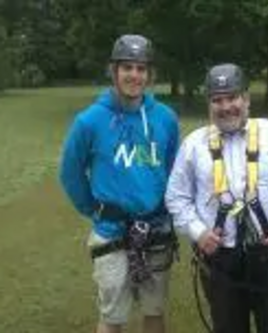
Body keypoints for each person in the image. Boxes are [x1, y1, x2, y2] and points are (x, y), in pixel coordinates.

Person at [165, 63, 268, 333]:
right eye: (217, 100)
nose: (225, 106)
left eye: (232, 97)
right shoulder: (194, 145)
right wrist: (199, 233)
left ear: (246, 99)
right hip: (220, 259)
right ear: (209, 104)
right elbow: (176, 197)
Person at [59, 34, 180, 333]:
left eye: (141, 68)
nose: (134, 75)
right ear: (113, 71)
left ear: (149, 74)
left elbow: (175, 170)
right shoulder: (89, 121)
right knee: (112, 317)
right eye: (127, 67)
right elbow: (70, 173)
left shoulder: (165, 118)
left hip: (156, 230)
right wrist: (96, 209)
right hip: (111, 234)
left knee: (154, 311)